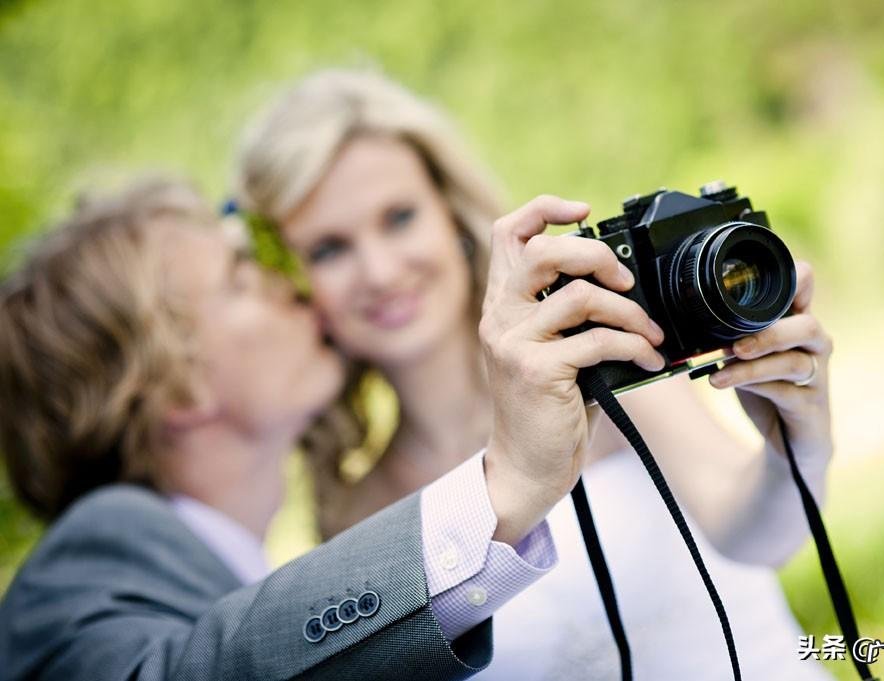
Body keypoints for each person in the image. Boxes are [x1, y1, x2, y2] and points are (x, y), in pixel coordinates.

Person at [234, 68, 836, 679]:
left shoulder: (595, 358)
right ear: (294, 283)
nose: (381, 271)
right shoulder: (355, 513)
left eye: (398, 218)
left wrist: (797, 447)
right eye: (329, 249)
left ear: (451, 215)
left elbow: (760, 540)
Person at [0, 177, 663, 680]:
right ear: (177, 385)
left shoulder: (231, 568)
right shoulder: (87, 558)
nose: (291, 287)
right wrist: (509, 482)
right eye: (240, 278)